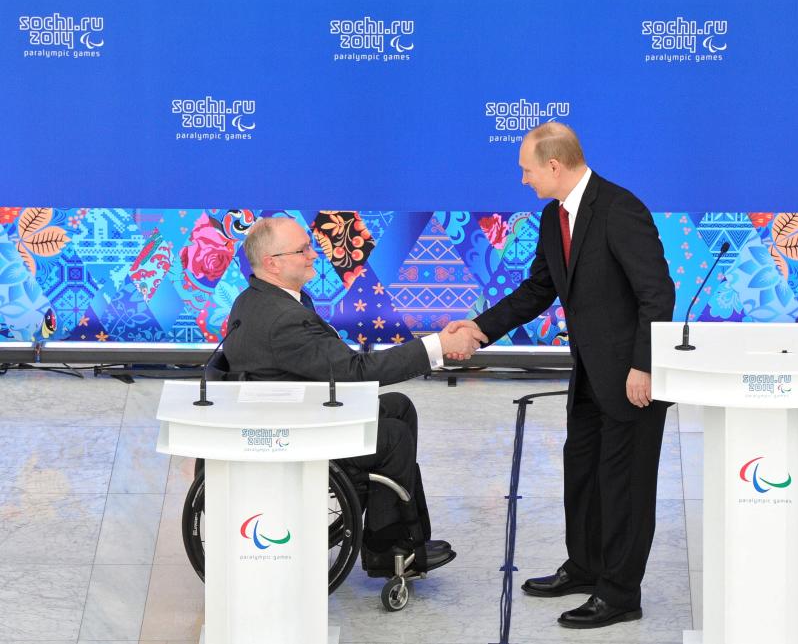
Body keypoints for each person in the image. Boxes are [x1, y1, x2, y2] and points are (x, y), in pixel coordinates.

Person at [449, 123, 675, 628]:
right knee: (585, 477)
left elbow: (657, 293)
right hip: (591, 375)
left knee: (625, 488)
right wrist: (480, 328)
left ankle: (619, 595)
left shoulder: (620, 209)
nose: (523, 179)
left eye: (526, 170)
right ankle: (586, 567)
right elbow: (538, 289)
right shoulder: (555, 217)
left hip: (633, 380)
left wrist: (644, 366)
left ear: (554, 166)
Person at [224, 215, 487, 576]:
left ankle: (406, 537)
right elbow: (355, 372)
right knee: (391, 437)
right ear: (272, 263)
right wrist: (437, 346)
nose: (313, 255)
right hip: (290, 428)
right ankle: (384, 546)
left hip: (294, 404)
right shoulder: (281, 318)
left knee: (399, 408)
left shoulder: (257, 299)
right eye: (303, 250)